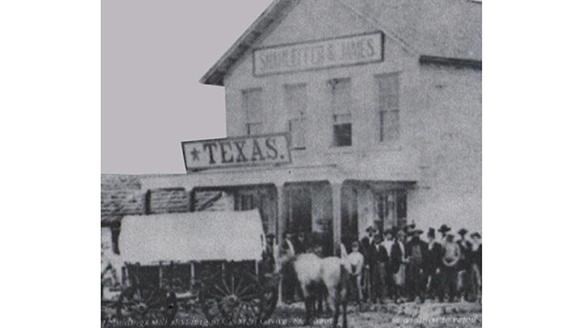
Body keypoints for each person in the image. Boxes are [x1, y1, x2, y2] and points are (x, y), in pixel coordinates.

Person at [405, 229, 428, 303]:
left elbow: (426, 256)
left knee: (421, 281)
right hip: (411, 265)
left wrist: (423, 266)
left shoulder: (424, 244)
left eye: (417, 234)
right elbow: (406, 255)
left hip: (421, 265)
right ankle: (411, 296)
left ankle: (421, 296)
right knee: (411, 280)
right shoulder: (408, 244)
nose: (416, 235)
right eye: (414, 234)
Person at [441, 233, 461, 302]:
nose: (450, 238)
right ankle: (446, 296)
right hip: (446, 264)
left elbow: (458, 255)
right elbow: (442, 255)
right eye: (449, 237)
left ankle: (453, 296)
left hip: (454, 264)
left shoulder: (456, 245)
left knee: (453, 281)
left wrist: (454, 262)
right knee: (446, 280)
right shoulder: (444, 245)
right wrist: (445, 262)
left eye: (451, 237)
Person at [360, 226, 377, 302]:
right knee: (365, 281)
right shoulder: (364, 241)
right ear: (367, 232)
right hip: (366, 264)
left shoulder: (376, 240)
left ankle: (373, 297)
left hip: (374, 263)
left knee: (374, 281)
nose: (371, 233)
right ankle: (365, 297)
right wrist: (366, 263)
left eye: (372, 231)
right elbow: (364, 253)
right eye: (369, 231)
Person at [390, 230, 408, 303]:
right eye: (402, 236)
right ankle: (397, 298)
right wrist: (402, 260)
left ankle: (401, 297)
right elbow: (395, 256)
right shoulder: (395, 245)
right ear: (399, 237)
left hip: (402, 265)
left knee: (402, 282)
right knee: (397, 282)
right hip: (397, 265)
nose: (403, 237)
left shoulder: (403, 244)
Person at [425, 228, 443, 301]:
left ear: (434, 238)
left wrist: (438, 267)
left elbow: (439, 257)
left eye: (431, 237)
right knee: (428, 280)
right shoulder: (426, 246)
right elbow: (424, 257)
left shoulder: (437, 246)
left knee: (436, 280)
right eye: (429, 237)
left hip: (435, 266)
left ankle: (438, 296)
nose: (430, 239)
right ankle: (429, 295)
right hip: (428, 266)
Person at [280, 231, 297, 303]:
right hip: (286, 262)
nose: (289, 235)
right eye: (288, 234)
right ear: (285, 235)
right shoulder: (284, 242)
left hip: (291, 262)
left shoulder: (291, 242)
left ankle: (291, 297)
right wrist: (288, 253)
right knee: (286, 280)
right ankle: (285, 298)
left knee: (291, 280)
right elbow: (283, 251)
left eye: (290, 234)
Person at [371, 234, 388, 304]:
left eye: (378, 239)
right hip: (374, 266)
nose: (377, 240)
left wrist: (383, 263)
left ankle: (382, 298)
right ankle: (374, 298)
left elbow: (386, 257)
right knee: (374, 282)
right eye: (376, 239)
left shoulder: (383, 248)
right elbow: (369, 257)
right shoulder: (371, 248)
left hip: (381, 266)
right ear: (374, 240)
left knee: (382, 281)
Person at [347, 241, 365, 307]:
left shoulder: (360, 255)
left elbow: (361, 264)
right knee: (352, 286)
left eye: (356, 247)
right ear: (352, 248)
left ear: (358, 248)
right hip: (352, 271)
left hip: (358, 271)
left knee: (358, 285)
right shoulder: (349, 256)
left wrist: (357, 272)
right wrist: (350, 272)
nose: (355, 249)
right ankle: (354, 299)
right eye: (353, 247)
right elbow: (348, 264)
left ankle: (360, 299)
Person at [457, 228, 473, 301]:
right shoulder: (457, 243)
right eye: (461, 235)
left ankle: (467, 295)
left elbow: (471, 253)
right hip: (460, 264)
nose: (462, 236)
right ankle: (461, 295)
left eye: (463, 235)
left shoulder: (469, 243)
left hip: (467, 264)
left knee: (467, 279)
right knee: (460, 279)